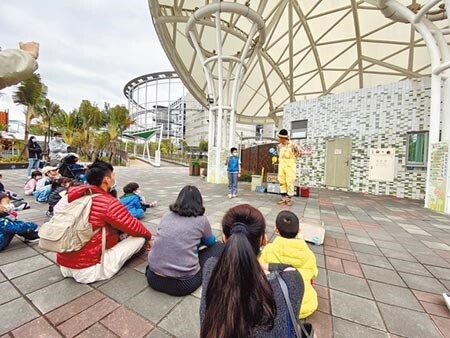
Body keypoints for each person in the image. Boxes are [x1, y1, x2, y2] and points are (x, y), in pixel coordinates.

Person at [200, 204, 304, 338]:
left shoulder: (210, 268)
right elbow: (289, 268)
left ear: (224, 239)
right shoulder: (292, 280)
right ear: (264, 240)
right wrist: (259, 265)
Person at [57, 160, 152, 284]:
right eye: (113, 176)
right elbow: (135, 227)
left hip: (64, 266)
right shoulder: (107, 202)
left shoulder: (75, 196)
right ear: (107, 180)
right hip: (88, 270)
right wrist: (149, 237)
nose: (114, 180)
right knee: (141, 238)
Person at [146, 185, 222, 296]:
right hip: (182, 285)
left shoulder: (166, 215)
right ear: (199, 202)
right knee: (218, 247)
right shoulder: (201, 220)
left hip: (153, 278)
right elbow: (211, 242)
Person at [259, 210, 318, 319]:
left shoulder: (269, 250)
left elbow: (262, 273)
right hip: (305, 305)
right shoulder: (309, 254)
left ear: (276, 230)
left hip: (278, 306)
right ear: (299, 230)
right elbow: (314, 274)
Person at [276, 129, 311, 206]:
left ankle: (289, 199)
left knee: (290, 181)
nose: (278, 139)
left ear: (283, 138)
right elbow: (279, 154)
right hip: (282, 165)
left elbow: (301, 152)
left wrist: (296, 157)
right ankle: (283, 198)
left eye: (279, 137)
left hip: (290, 166)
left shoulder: (293, 145)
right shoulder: (279, 146)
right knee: (282, 181)